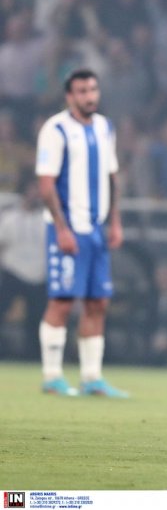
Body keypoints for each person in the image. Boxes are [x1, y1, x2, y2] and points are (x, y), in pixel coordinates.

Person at [35, 69, 128, 397]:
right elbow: (46, 184)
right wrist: (61, 229)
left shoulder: (105, 127)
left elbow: (113, 177)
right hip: (67, 229)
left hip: (96, 230)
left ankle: (92, 377)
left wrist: (114, 221)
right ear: (69, 96)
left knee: (97, 302)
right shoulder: (56, 129)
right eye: (82, 91)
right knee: (62, 301)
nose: (89, 96)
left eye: (93, 90)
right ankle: (52, 376)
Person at [0, 173, 47, 361]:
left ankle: (33, 356)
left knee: (37, 318)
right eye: (32, 189)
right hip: (12, 271)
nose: (35, 193)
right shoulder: (10, 218)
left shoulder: (46, 220)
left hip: (39, 274)